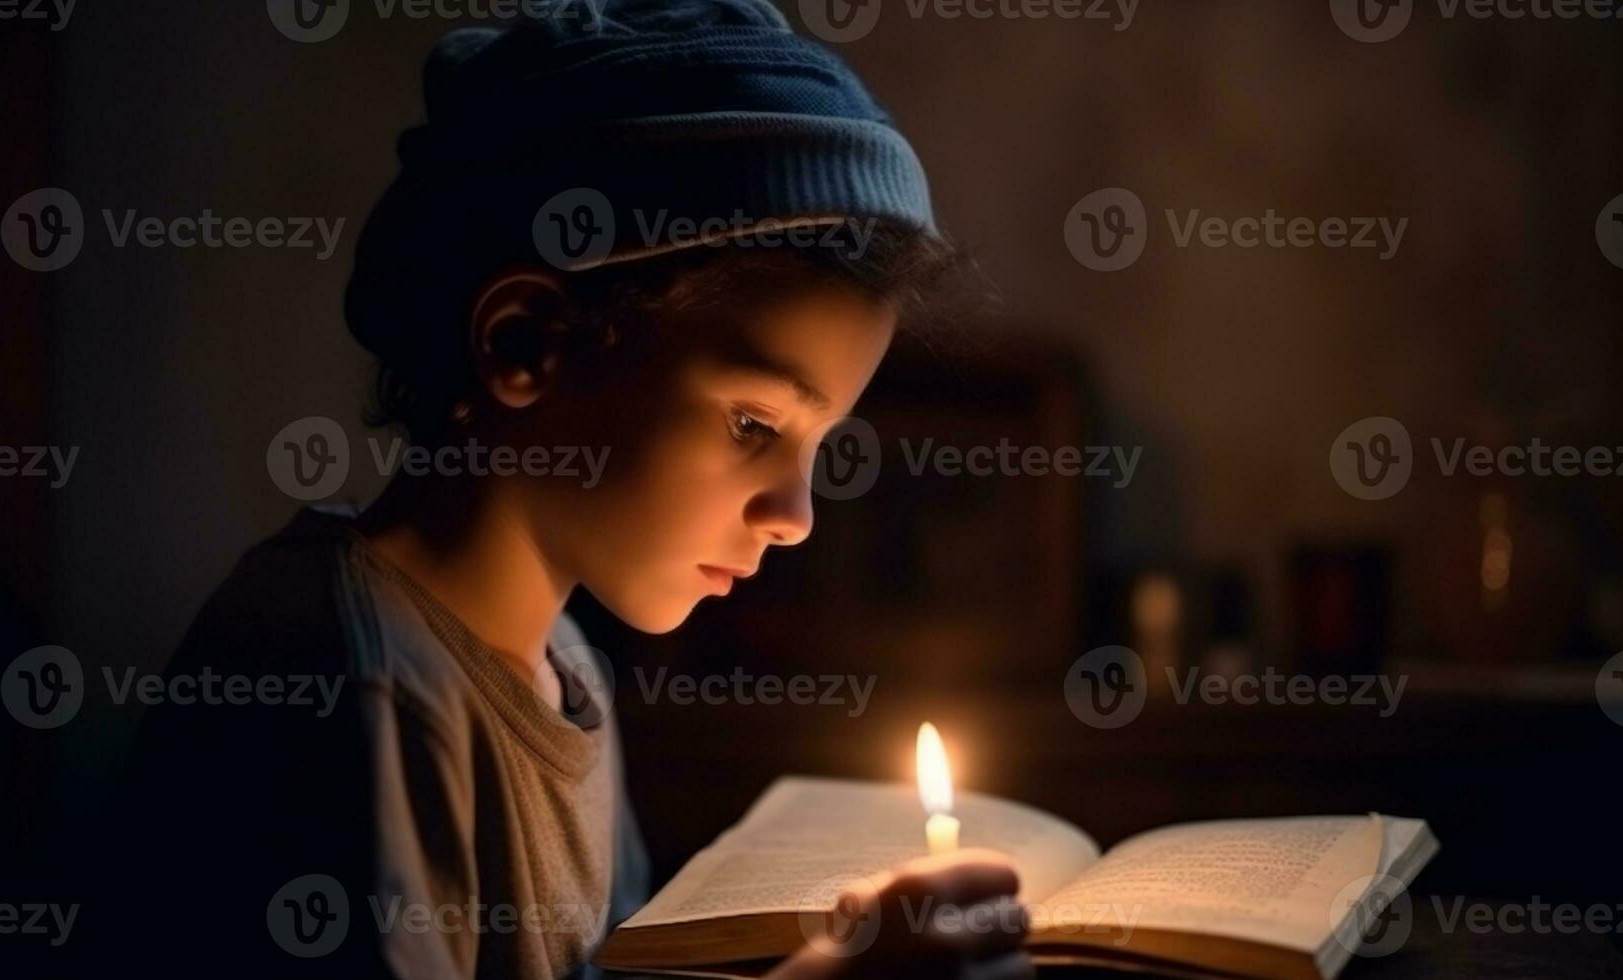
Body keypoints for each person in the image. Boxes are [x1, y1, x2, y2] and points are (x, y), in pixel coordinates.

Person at [123, 1, 1029, 977]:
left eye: (815, 446)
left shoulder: (564, 669)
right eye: (753, 425)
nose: (795, 517)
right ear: (524, 343)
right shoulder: (338, 676)